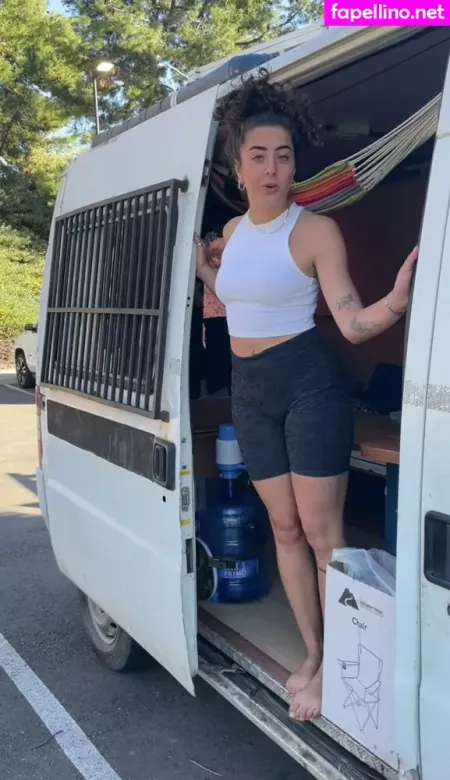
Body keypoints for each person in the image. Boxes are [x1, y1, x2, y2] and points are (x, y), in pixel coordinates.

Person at [193, 69, 418, 723]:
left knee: (324, 535)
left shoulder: (316, 231)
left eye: (283, 156)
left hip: (309, 386)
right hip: (250, 391)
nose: (272, 169)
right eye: (259, 155)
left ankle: (341, 664)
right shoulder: (232, 235)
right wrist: (205, 268)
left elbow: (351, 323)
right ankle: (315, 654)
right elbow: (233, 290)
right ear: (238, 166)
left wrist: (395, 302)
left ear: (295, 166)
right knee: (284, 529)